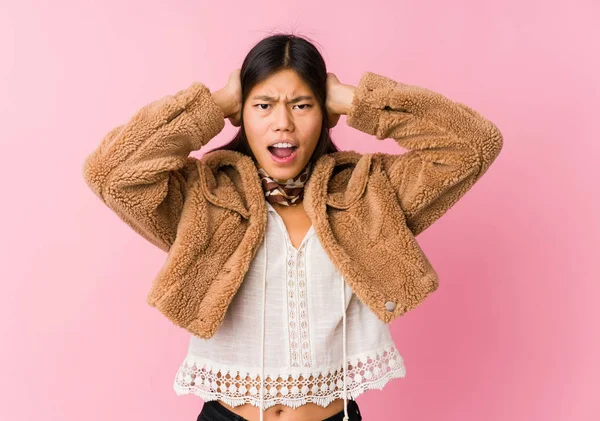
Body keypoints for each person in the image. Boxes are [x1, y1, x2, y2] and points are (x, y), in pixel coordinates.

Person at [82, 34, 503, 421]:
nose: (283, 122)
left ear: (326, 113)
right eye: (263, 105)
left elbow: (474, 145)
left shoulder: (368, 194)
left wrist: (358, 101)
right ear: (240, 114)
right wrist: (211, 104)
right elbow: (111, 173)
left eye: (302, 104)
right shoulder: (204, 198)